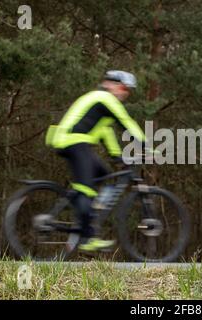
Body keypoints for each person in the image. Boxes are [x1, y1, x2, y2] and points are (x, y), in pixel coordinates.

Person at [45, 70, 146, 252]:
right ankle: (88, 237)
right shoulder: (104, 98)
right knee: (86, 188)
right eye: (124, 88)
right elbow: (126, 122)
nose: (125, 93)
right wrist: (146, 145)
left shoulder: (101, 107)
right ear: (111, 85)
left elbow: (105, 133)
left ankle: (89, 208)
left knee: (104, 174)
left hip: (74, 141)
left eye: (128, 91)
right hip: (73, 141)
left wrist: (118, 157)